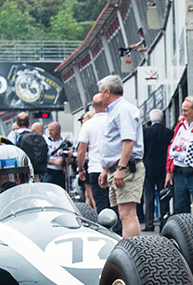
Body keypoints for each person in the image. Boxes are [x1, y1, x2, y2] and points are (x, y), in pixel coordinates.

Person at [97, 74, 145, 238]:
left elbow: (128, 141)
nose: (100, 96)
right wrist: (106, 169)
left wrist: (121, 168)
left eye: (101, 92)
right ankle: (132, 251)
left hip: (127, 168)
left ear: (107, 92)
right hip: (118, 167)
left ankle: (133, 255)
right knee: (124, 213)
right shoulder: (116, 110)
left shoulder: (123, 110)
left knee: (127, 214)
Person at [166, 97, 193, 221]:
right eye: (182, 110)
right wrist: (169, 171)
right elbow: (172, 148)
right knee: (180, 210)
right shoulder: (180, 126)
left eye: (186, 111)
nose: (183, 113)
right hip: (179, 173)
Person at [77, 94, 114, 230]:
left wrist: (80, 169)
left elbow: (81, 151)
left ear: (93, 107)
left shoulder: (87, 125)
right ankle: (118, 233)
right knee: (115, 204)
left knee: (101, 204)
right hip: (114, 168)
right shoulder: (113, 121)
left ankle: (104, 232)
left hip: (95, 168)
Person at [142, 108, 172, 231]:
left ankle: (149, 223)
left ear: (150, 119)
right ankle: (163, 223)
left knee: (149, 197)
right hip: (163, 169)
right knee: (163, 197)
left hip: (148, 168)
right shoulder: (169, 133)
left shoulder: (145, 132)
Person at [43, 122, 70, 189]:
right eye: (49, 130)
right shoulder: (46, 142)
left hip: (61, 172)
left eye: (52, 130)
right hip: (49, 171)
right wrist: (54, 162)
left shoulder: (65, 142)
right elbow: (42, 158)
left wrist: (66, 158)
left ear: (58, 130)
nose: (50, 132)